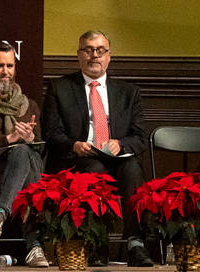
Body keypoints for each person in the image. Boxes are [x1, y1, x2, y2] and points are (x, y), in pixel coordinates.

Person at [42, 30, 154, 267]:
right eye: (88, 50)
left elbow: (140, 137)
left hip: (118, 156)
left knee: (133, 169)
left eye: (100, 50)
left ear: (109, 56)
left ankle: (135, 243)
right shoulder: (60, 88)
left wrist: (120, 143)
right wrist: (74, 145)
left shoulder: (128, 92)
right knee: (95, 171)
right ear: (79, 55)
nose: (94, 55)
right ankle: (97, 244)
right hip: (79, 158)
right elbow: (51, 134)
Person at [0, 42, 48, 267]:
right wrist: (9, 139)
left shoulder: (28, 105)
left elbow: (41, 148)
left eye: (10, 66)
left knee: (25, 152)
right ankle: (33, 245)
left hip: (23, 166)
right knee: (22, 153)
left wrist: (30, 139)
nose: (5, 71)